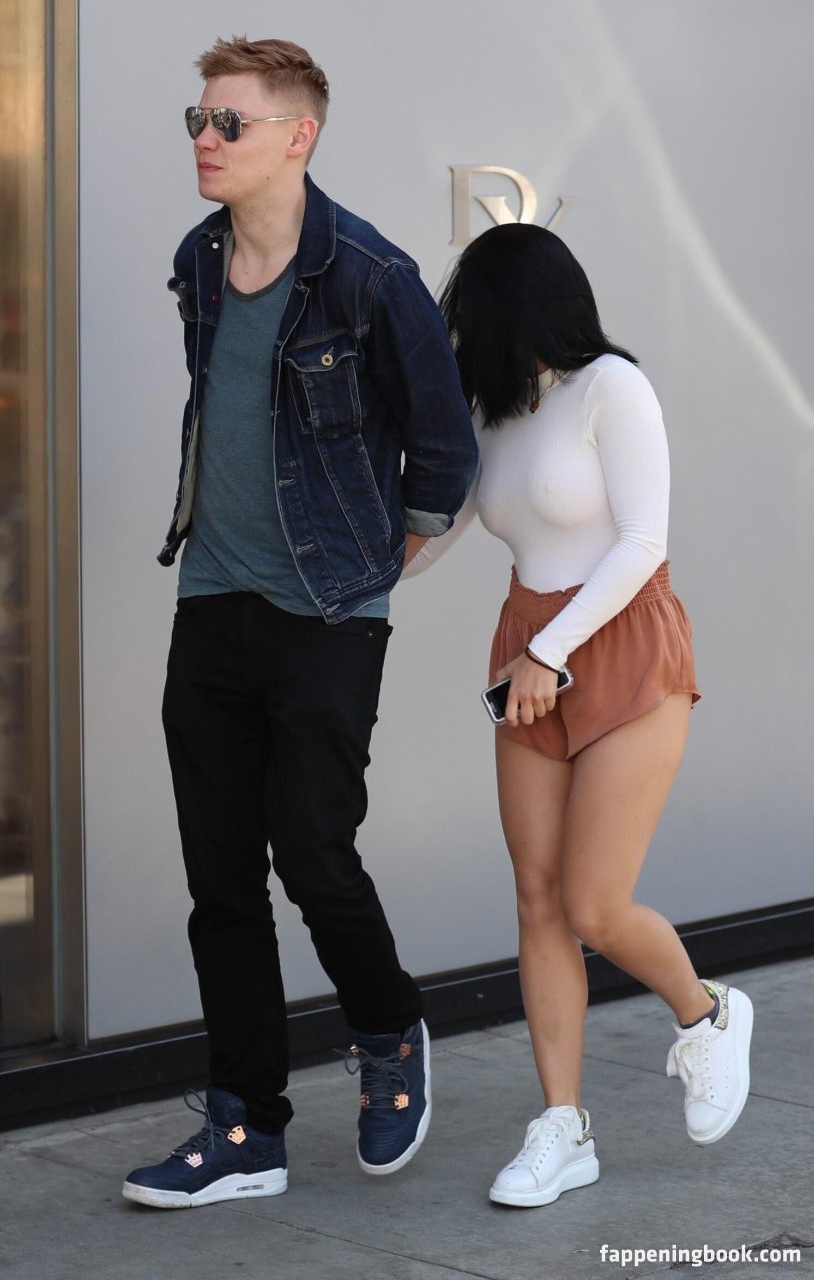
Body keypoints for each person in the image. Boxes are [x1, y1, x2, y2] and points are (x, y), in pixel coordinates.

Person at [122, 35, 477, 1210]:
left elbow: (445, 453)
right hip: (210, 598)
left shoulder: (371, 276)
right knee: (220, 877)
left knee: (313, 853)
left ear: (297, 136)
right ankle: (245, 1128)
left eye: (229, 122)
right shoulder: (200, 257)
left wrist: (371, 569)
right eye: (198, 119)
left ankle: (387, 1028)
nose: (205, 140)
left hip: (326, 612)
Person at [405, 222, 753, 1208]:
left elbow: (642, 541)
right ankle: (563, 1124)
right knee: (537, 900)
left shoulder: (613, 387)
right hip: (528, 652)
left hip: (620, 647)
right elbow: (437, 530)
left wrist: (550, 651)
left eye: (472, 313)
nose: (462, 332)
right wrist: (347, 579)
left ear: (521, 308)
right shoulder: (494, 413)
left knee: (594, 903)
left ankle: (707, 1014)